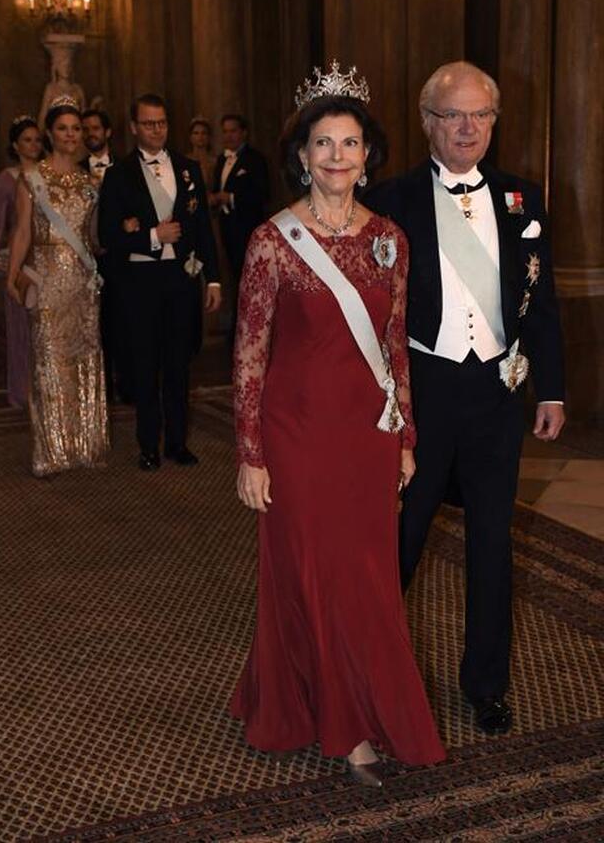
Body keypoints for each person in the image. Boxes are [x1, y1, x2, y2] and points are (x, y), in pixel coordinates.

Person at [231, 62, 445, 787]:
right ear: (302, 154)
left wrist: (406, 436)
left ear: (366, 154)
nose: (336, 158)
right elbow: (250, 353)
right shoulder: (272, 241)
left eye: (349, 145)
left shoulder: (390, 237)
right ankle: (338, 721)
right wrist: (251, 452)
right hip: (295, 435)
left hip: (366, 435)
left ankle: (337, 699)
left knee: (367, 578)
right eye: (323, 144)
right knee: (308, 570)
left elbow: (394, 344)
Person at [365, 61, 565, 736]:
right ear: (428, 123)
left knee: (491, 545)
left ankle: (487, 687)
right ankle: (369, 674)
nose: (468, 127)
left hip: (497, 397)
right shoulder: (390, 199)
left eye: (480, 114)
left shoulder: (521, 198)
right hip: (424, 394)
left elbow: (541, 302)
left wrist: (553, 389)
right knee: (401, 541)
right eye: (454, 114)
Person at [98, 93, 221, 470]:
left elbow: (202, 228)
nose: (157, 130)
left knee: (178, 363)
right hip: (140, 282)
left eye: (163, 122)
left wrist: (213, 280)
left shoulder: (188, 169)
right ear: (134, 127)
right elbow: (108, 235)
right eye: (149, 123)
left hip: (180, 280)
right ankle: (149, 445)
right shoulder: (118, 174)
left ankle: (178, 443)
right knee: (145, 364)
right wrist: (152, 236)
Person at [6, 96, 108, 477]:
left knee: (83, 359)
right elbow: (21, 233)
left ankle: (84, 445)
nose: (71, 135)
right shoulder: (31, 179)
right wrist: (12, 276)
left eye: (76, 129)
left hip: (83, 282)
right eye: (63, 128)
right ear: (50, 133)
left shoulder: (90, 182)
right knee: (50, 362)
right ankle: (52, 451)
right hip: (48, 279)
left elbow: (95, 237)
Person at [0, 116, 43, 408]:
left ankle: (47, 389)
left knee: (44, 331)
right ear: (15, 145)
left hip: (46, 258)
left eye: (37, 139)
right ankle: (22, 392)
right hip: (20, 260)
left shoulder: (49, 173)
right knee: (21, 328)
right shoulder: (7, 178)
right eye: (27, 140)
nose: (33, 145)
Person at [79, 109, 130, 403]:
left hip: (119, 258)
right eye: (85, 129)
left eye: (95, 128)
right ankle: (100, 389)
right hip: (86, 259)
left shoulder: (125, 168)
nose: (90, 134)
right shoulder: (76, 169)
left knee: (121, 321)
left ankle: (126, 381)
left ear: (108, 132)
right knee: (94, 325)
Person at [210, 114, 269, 343]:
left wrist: (231, 197)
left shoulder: (255, 159)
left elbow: (263, 194)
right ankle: (237, 329)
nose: (228, 136)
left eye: (233, 131)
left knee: (250, 280)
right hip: (226, 228)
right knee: (234, 278)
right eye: (225, 131)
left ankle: (249, 331)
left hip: (248, 229)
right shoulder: (221, 161)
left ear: (244, 132)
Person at [186, 116, 216, 191]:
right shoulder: (185, 161)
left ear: (209, 136)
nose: (200, 136)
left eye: (204, 133)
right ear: (190, 137)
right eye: (196, 133)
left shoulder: (216, 161)